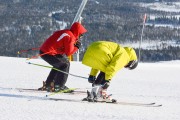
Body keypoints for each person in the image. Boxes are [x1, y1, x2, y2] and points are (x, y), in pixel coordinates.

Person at [38, 22, 87, 92]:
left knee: (59, 65)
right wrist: (76, 47)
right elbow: (69, 53)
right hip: (48, 53)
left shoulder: (67, 32)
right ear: (77, 32)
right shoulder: (70, 37)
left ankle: (49, 84)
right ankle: (59, 86)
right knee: (65, 65)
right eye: (81, 35)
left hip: (45, 51)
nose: (80, 37)